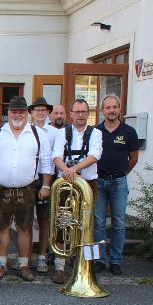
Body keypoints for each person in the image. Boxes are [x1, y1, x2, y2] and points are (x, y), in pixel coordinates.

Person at [0, 96, 53, 282]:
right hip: (1, 189)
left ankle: (24, 266)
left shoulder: (38, 134)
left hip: (27, 189)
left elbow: (47, 162)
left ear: (27, 113)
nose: (17, 114)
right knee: (2, 227)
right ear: (8, 113)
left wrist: (46, 185)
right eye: (14, 111)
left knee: (25, 228)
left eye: (21, 111)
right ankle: (1, 265)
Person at [51, 98, 103, 284]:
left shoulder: (96, 133)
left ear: (87, 114)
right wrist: (66, 170)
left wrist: (74, 169)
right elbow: (56, 156)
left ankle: (85, 265)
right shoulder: (62, 133)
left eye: (83, 112)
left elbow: (95, 155)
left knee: (86, 225)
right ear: (71, 114)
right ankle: (59, 267)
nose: (80, 115)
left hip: (87, 184)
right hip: (65, 184)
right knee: (62, 223)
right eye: (77, 112)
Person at [94, 95, 138, 276]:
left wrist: (121, 174)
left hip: (119, 182)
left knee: (119, 223)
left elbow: (134, 158)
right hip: (98, 182)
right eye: (108, 107)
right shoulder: (95, 131)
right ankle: (99, 259)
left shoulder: (128, 132)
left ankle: (115, 261)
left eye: (114, 107)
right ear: (102, 110)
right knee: (98, 223)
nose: (111, 110)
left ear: (120, 109)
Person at [28, 97, 60, 274]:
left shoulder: (55, 133)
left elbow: (56, 157)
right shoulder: (25, 129)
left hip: (46, 177)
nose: (40, 113)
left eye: (43, 110)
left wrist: (47, 185)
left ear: (48, 113)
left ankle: (42, 257)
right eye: (36, 110)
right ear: (31, 112)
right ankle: (24, 258)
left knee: (44, 220)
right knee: (23, 220)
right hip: (28, 177)